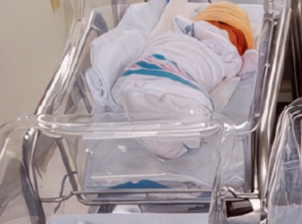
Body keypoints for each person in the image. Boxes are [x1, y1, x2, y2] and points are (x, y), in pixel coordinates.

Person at [110, 1, 259, 159]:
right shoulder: (229, 52)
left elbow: (158, 43)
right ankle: (154, 113)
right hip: (179, 79)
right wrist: (249, 55)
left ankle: (142, 101)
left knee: (165, 111)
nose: (217, 29)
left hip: (141, 71)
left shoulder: (177, 32)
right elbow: (250, 65)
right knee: (197, 117)